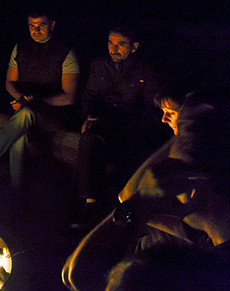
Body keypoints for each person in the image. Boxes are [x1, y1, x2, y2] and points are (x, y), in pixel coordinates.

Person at [62, 88, 230, 291]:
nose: (163, 189)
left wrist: (140, 202)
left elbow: (77, 276)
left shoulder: (188, 274)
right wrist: (187, 127)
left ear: (195, 188)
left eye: (171, 176)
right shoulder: (207, 244)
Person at [0, 10, 79, 190]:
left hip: (52, 116)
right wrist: (21, 99)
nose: (36, 30)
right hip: (24, 111)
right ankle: (18, 193)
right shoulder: (20, 48)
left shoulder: (65, 53)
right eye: (32, 26)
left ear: (52, 25)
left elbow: (69, 98)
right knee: (19, 138)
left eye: (41, 25)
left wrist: (35, 102)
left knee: (25, 114)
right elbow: (9, 83)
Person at [73, 26, 169, 222]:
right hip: (103, 124)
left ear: (134, 47)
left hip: (131, 127)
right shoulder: (100, 65)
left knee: (124, 153)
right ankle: (90, 204)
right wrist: (90, 115)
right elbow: (90, 96)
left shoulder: (146, 71)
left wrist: (118, 123)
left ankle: (121, 209)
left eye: (120, 44)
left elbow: (151, 113)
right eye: (110, 43)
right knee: (89, 139)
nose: (113, 49)